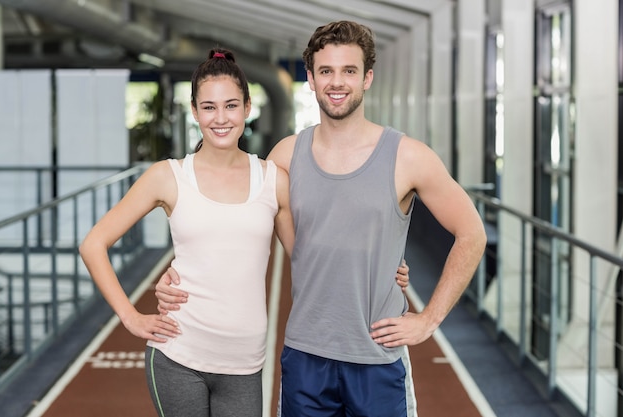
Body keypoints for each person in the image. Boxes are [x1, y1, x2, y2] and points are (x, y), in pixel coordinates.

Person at [157, 20, 486, 417]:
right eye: (326, 71)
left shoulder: (408, 157)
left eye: (349, 70)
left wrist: (429, 319)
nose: (337, 82)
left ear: (367, 77)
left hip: (377, 359)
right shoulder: (284, 157)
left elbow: (471, 233)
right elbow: (225, 220)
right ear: (310, 79)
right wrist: (179, 273)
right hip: (306, 358)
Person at [79, 48, 296, 417]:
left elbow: (308, 259)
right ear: (195, 112)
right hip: (178, 355)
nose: (220, 118)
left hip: (244, 363)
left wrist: (383, 267)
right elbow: (93, 244)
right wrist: (131, 317)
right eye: (209, 107)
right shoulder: (169, 176)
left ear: (247, 108)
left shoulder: (274, 181)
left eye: (230, 105)